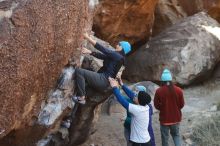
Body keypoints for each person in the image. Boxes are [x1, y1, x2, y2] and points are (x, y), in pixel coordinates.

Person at [72, 33, 131, 104]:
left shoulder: (117, 56)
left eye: (119, 44)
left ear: (122, 48)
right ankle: (76, 106)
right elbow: (102, 56)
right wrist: (90, 52)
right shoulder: (118, 57)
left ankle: (81, 98)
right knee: (84, 89)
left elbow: (103, 49)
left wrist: (88, 37)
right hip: (103, 82)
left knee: (79, 71)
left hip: (102, 80)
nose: (117, 45)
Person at [109, 77, 152, 146]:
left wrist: (114, 87)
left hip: (138, 142)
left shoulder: (137, 109)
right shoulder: (146, 106)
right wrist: (122, 85)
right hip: (146, 141)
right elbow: (132, 95)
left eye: (136, 96)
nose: (135, 95)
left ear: (139, 101)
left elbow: (122, 100)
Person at [154, 69, 185, 146]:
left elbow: (156, 105)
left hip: (164, 120)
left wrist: (163, 108)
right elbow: (182, 104)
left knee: (165, 139)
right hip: (176, 118)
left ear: (162, 80)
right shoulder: (179, 90)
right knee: (176, 136)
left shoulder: (159, 91)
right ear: (171, 80)